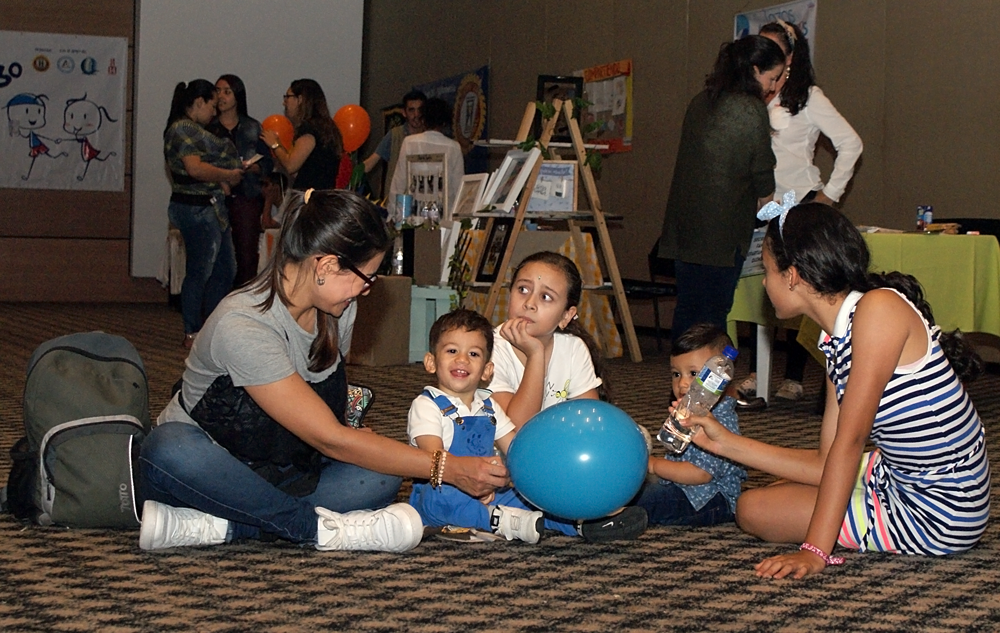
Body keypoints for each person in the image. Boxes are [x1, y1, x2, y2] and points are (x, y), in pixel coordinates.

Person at [138, 189, 508, 553]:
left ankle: (232, 525)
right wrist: (449, 468)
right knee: (168, 448)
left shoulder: (337, 311)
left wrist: (362, 440)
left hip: (286, 468)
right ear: (326, 265)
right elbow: (329, 438)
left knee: (381, 471)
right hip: (215, 470)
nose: (366, 292)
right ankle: (315, 530)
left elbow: (322, 425)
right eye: (366, 278)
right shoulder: (244, 325)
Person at [692, 201, 989, 579]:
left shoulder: (878, 310)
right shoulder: (837, 337)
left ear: (793, 276)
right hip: (899, 475)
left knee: (754, 509)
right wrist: (723, 443)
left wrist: (815, 551)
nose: (764, 283)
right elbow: (825, 459)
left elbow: (850, 443)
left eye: (766, 271)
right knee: (765, 497)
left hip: (941, 509)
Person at [738, 20, 864, 402]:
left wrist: (829, 196)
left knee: (802, 288)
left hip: (798, 203)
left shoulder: (807, 96)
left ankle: (793, 375)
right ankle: (759, 372)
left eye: (777, 48)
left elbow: (850, 144)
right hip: (759, 206)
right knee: (760, 290)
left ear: (792, 57)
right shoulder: (750, 95)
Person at [488, 251, 647, 541]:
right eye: (522, 289)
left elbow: (592, 428)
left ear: (566, 316)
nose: (529, 303)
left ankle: (575, 514)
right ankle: (574, 520)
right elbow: (517, 432)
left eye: (546, 297)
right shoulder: (489, 348)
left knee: (638, 444)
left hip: (557, 461)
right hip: (504, 457)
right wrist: (536, 355)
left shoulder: (572, 348)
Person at [407, 309, 578, 543]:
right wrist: (471, 483)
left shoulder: (489, 406)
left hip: (485, 489)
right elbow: (433, 458)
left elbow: (516, 450)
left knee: (526, 495)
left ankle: (577, 521)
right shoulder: (427, 406)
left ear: (487, 370)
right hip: (441, 487)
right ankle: (499, 520)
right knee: (443, 500)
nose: (462, 359)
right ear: (431, 362)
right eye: (452, 351)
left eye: (474, 354)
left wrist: (536, 478)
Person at [657, 35, 786, 344]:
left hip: (684, 230)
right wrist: (769, 208)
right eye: (773, 77)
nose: (774, 86)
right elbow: (761, 170)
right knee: (714, 315)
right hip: (723, 234)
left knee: (687, 311)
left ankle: (682, 381)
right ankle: (708, 389)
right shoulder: (751, 108)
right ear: (755, 70)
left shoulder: (701, 101)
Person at [634, 324, 747, 526]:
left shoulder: (720, 420)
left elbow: (700, 474)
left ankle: (619, 519)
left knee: (645, 499)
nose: (683, 383)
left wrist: (653, 464)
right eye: (676, 374)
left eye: (694, 374)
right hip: (683, 488)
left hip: (710, 499)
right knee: (633, 488)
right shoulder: (687, 408)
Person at [163, 79, 245, 349]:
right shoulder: (182, 130)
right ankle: (192, 332)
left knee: (224, 269)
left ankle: (208, 327)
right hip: (196, 209)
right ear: (198, 103)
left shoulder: (193, 131)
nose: (215, 111)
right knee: (200, 270)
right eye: (212, 104)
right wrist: (229, 174)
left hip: (210, 207)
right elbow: (195, 169)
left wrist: (223, 179)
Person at [207, 74, 273, 288]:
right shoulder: (208, 127)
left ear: (238, 96)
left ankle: (243, 302)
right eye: (217, 91)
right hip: (215, 197)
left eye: (227, 91)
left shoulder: (253, 127)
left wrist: (254, 167)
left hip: (247, 195)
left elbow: (268, 162)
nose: (221, 96)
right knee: (216, 254)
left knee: (246, 254)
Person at [261, 79, 351, 191]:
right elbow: (304, 170)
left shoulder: (310, 128)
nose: (284, 102)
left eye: (287, 97)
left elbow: (291, 166)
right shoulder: (326, 128)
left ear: (300, 99)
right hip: (323, 195)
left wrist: (275, 144)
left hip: (311, 199)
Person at [387, 97, 464, 222]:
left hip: (414, 218)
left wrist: (393, 215)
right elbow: (458, 189)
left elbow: (398, 184)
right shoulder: (453, 147)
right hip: (442, 220)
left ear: (424, 119)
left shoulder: (409, 143)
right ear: (445, 121)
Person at [362, 89, 426, 187]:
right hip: (398, 198)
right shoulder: (394, 135)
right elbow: (371, 162)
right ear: (404, 112)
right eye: (411, 110)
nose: (416, 115)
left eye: (420, 110)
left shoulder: (431, 136)